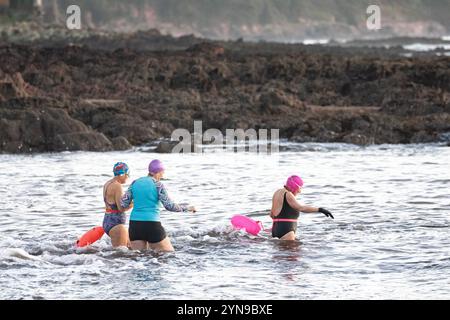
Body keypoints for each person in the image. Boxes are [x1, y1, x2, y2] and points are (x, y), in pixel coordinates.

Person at [120, 159, 196, 252]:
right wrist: (187, 208)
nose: (163, 175)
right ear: (158, 172)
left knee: (138, 259)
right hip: (152, 225)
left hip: (135, 226)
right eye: (162, 172)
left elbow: (123, 203)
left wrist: (139, 201)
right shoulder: (158, 185)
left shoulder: (135, 183)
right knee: (169, 254)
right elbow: (169, 206)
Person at [270, 175, 334, 240]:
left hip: (275, 230)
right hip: (286, 231)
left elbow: (271, 215)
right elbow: (301, 208)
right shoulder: (288, 194)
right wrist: (320, 209)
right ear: (295, 186)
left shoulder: (277, 192)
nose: (300, 191)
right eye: (300, 188)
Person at [102, 162, 132, 248]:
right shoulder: (117, 186)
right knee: (121, 255)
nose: (128, 177)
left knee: (130, 247)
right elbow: (121, 208)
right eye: (127, 174)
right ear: (122, 174)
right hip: (116, 225)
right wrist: (134, 203)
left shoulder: (107, 183)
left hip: (107, 220)